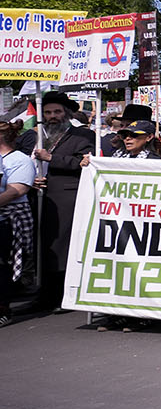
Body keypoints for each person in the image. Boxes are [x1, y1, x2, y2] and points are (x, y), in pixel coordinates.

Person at [34, 91, 96, 310]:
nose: (52, 116)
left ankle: (62, 295)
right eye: (48, 112)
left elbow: (85, 163)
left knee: (62, 246)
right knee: (42, 245)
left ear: (66, 114)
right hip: (41, 196)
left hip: (67, 196)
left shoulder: (83, 136)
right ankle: (43, 292)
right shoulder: (36, 136)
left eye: (57, 112)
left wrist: (51, 158)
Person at [0, 121, 37, 328]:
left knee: (1, 265)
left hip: (8, 218)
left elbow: (16, 190)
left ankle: (3, 309)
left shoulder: (20, 160)